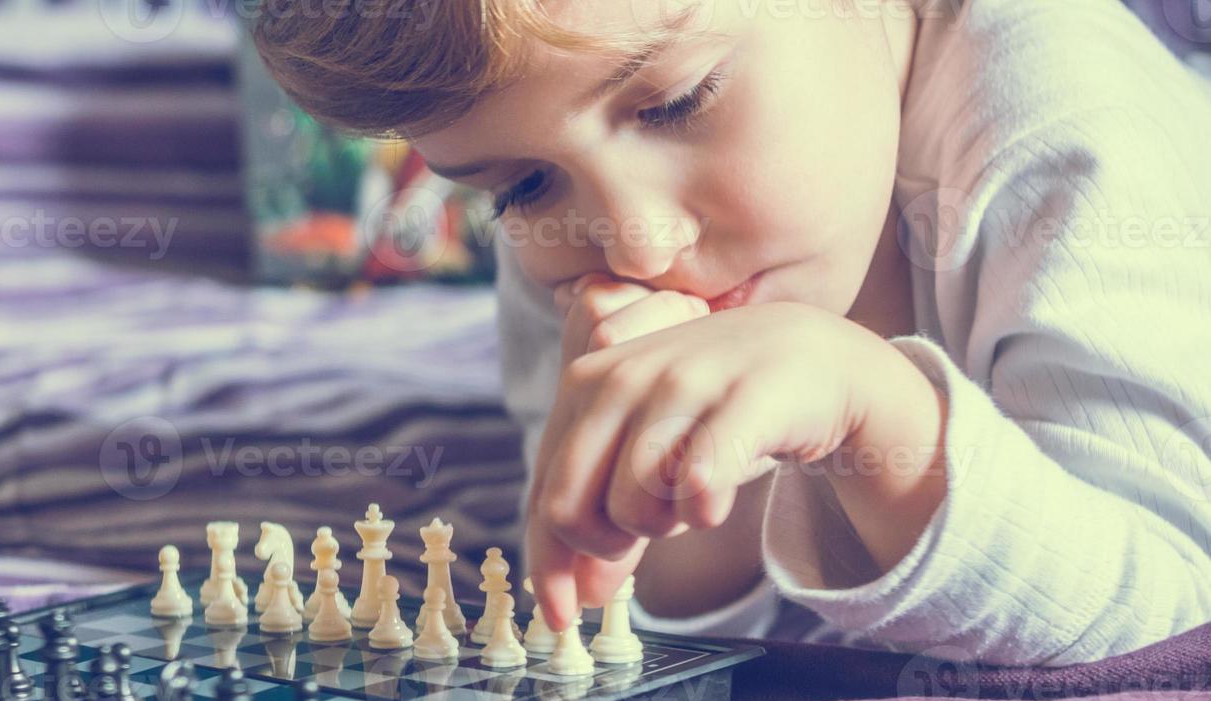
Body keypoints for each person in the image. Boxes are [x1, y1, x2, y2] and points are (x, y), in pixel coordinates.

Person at [249, 0, 1211, 665]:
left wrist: (873, 415)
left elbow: (1174, 616)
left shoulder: (1071, 144)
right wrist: (661, 493)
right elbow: (660, 615)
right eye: (520, 189)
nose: (639, 242)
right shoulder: (567, 219)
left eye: (677, 102)